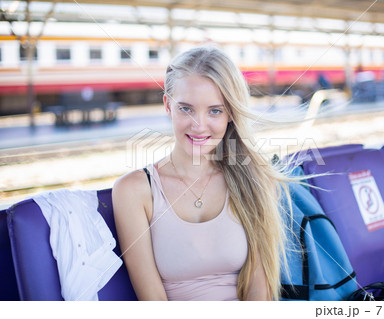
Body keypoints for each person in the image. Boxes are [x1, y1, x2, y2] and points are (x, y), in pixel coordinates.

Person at [112, 46, 294, 301]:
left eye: (215, 111)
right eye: (185, 108)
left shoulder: (257, 180)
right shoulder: (133, 191)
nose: (198, 126)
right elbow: (153, 301)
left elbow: (258, 291)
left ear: (231, 112)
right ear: (168, 105)